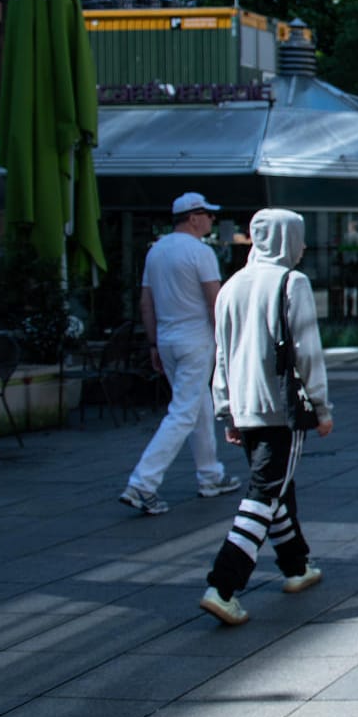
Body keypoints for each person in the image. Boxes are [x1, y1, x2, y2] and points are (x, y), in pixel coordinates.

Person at [198, 208, 332, 626]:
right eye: (299, 237)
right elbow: (308, 352)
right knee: (264, 493)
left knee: (274, 488)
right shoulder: (293, 282)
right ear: (287, 240)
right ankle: (224, 585)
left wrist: (226, 410)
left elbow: (220, 354)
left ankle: (296, 566)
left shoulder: (231, 285)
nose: (304, 246)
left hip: (243, 405)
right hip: (281, 406)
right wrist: (322, 407)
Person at [119, 192, 240, 516]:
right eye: (209, 215)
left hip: (169, 341)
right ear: (194, 217)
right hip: (195, 340)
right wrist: (228, 341)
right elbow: (215, 302)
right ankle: (142, 483)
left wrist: (154, 343)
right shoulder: (200, 253)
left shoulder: (156, 251)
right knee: (184, 412)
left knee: (197, 405)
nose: (212, 221)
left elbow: (146, 303)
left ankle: (210, 475)